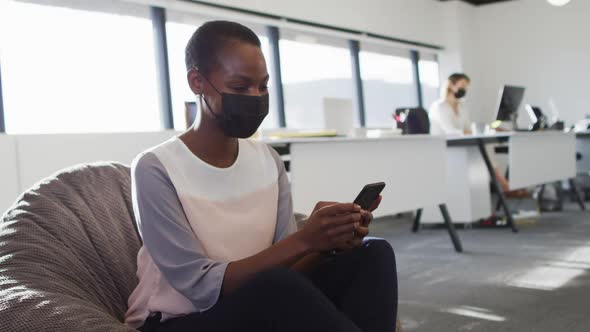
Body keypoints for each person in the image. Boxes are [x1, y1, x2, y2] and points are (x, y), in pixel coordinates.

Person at [124, 21, 398, 332]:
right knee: (275, 286)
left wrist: (326, 243)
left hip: (259, 299)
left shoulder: (269, 160)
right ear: (197, 81)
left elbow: (291, 267)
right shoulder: (156, 168)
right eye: (240, 87)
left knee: (372, 252)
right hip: (177, 320)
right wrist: (305, 238)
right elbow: (200, 287)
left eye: (263, 86)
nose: (255, 97)